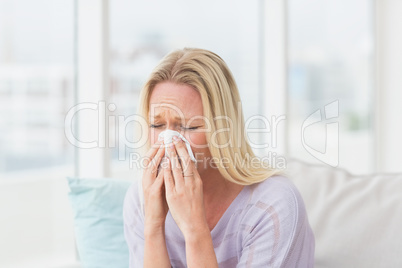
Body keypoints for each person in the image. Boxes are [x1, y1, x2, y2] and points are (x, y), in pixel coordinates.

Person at [123, 48, 315, 267]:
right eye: (157, 125)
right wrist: (154, 226)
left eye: (188, 126)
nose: (168, 140)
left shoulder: (272, 207)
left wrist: (195, 229)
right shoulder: (140, 200)